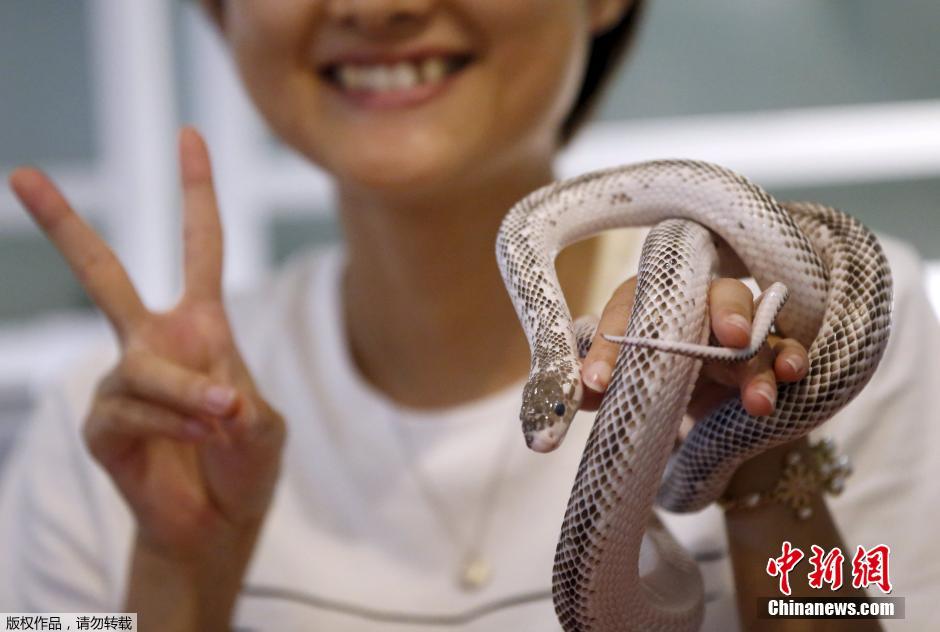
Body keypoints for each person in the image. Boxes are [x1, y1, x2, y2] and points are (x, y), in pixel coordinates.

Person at [1, 1, 938, 630]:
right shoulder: (119, 425)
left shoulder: (834, 325)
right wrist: (173, 579)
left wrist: (758, 462)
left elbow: (856, 613)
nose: (377, 6)